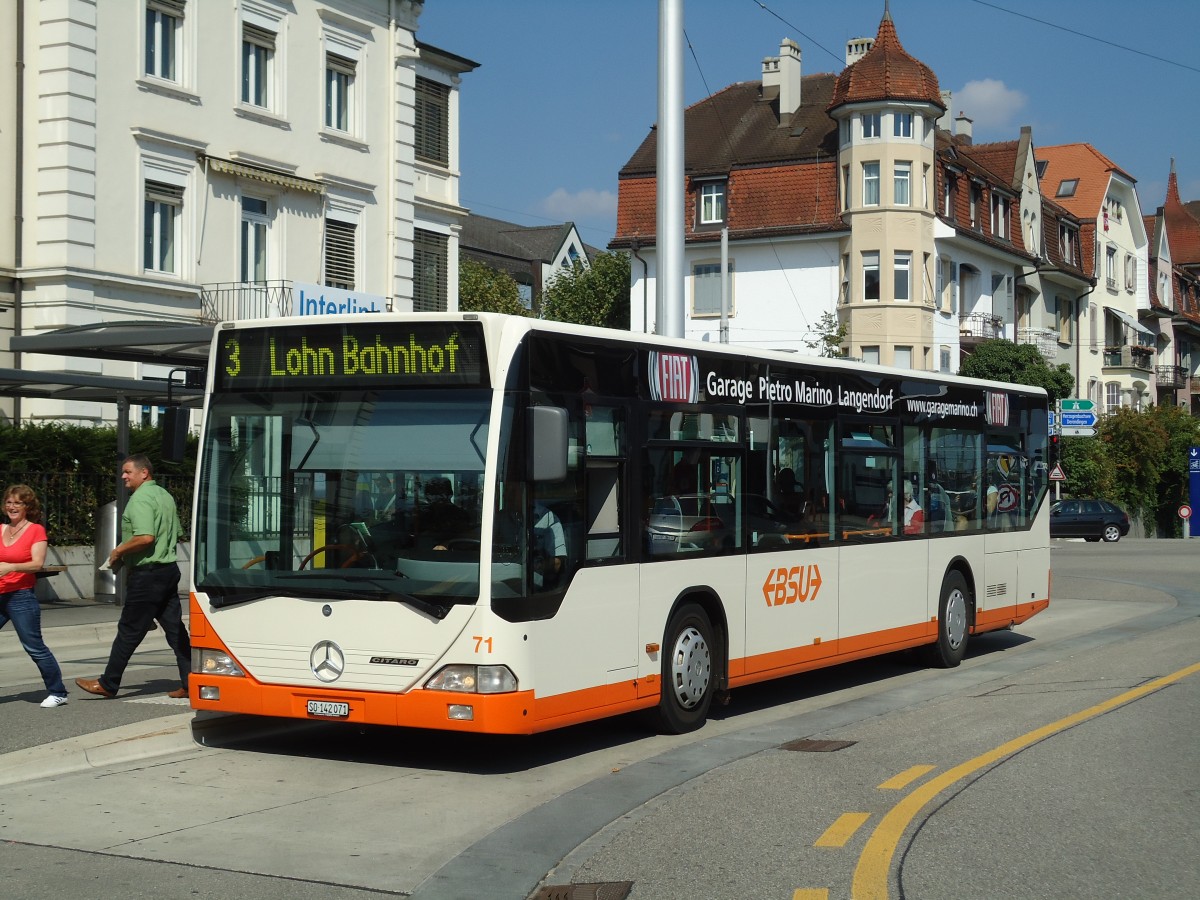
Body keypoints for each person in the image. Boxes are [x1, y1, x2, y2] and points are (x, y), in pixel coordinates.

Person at [75, 454, 191, 699]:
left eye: (128, 472)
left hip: (147, 575)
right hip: (168, 571)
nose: (123, 476)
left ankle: (108, 683)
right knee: (175, 631)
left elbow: (145, 537)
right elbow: (176, 533)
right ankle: (191, 682)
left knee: (129, 630)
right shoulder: (165, 496)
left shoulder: (139, 499)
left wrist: (118, 551)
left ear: (144, 473)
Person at [0, 484, 69, 708]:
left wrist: (10, 567)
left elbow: (37, 563)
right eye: (9, 502)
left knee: (33, 646)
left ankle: (57, 691)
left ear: (27, 506)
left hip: (20, 596)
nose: (12, 507)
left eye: (17, 503)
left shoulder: (35, 530)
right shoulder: (1, 529)